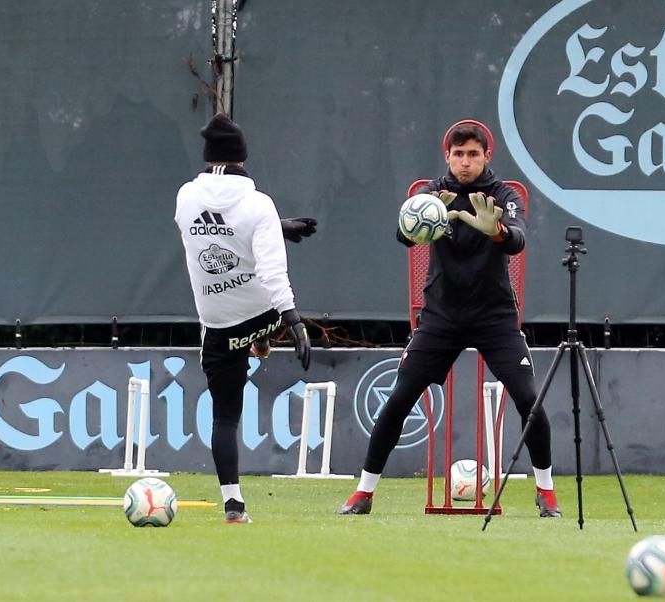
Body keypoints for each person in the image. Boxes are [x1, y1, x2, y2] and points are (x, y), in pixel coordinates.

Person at [337, 122, 562, 518]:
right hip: (441, 316)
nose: (465, 162)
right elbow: (404, 236)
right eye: (458, 154)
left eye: (473, 154)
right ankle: (363, 493)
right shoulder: (432, 195)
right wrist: (424, 217)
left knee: (529, 399)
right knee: (400, 398)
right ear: (447, 156)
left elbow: (518, 239)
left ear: (486, 156)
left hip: (494, 317)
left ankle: (547, 493)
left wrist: (497, 232)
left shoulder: (502, 195)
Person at [176, 112, 312, 524]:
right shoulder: (258, 205)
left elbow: (213, 232)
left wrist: (275, 226)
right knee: (268, 294)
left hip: (218, 324)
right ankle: (263, 339)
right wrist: (293, 320)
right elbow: (272, 272)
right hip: (264, 315)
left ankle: (233, 505)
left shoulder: (185, 196)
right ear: (242, 158)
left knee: (224, 417)